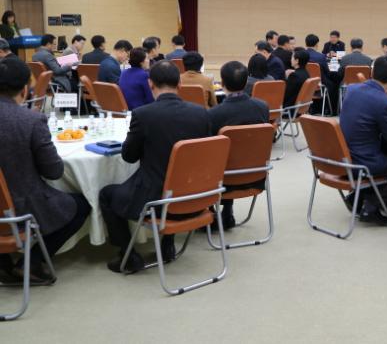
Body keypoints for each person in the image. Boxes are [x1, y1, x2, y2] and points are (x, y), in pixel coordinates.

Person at [99, 61, 211, 273]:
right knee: (173, 177)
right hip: (197, 197)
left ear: (150, 84)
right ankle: (167, 245)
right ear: (180, 84)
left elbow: (129, 157)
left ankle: (127, 254)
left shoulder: (143, 114)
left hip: (157, 202)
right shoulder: (201, 113)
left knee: (106, 194)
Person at [0, 58, 90, 282]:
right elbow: (54, 172)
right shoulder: (31, 120)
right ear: (25, 89)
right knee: (81, 205)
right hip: (19, 206)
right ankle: (32, 262)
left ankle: (3, 264)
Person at [208, 61, 270, 229]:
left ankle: (211, 212)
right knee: (236, 153)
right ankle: (227, 211)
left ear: (222, 83)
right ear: (246, 81)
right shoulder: (263, 107)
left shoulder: (214, 114)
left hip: (222, 181)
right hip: (256, 175)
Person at [340, 55, 387, 223]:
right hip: (362, 161)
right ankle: (371, 208)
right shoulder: (384, 101)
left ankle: (356, 198)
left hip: (340, 157)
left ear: (372, 72)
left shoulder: (351, 89)